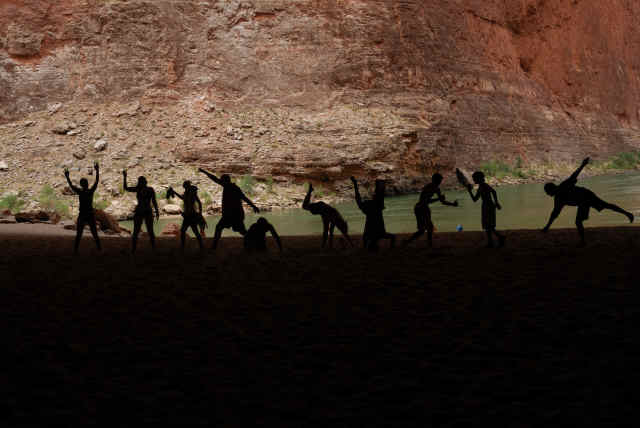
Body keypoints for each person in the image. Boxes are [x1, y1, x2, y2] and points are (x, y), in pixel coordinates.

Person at [542, 157, 634, 245]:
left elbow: (574, 175)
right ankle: (628, 214)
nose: (547, 194)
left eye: (547, 192)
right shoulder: (558, 199)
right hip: (583, 200)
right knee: (602, 208)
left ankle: (628, 214)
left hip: (586, 196)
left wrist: (583, 165)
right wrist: (547, 227)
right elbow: (555, 213)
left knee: (605, 206)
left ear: (552, 189)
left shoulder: (563, 186)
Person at [198, 168, 260, 249]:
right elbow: (244, 198)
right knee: (225, 228)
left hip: (234, 215)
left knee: (238, 230)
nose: (220, 182)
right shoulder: (231, 187)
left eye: (221, 180)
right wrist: (253, 206)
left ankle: (254, 241)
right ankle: (214, 246)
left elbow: (244, 198)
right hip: (232, 215)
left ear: (225, 181)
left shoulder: (232, 188)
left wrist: (253, 206)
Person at [404, 173, 458, 247]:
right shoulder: (429, 187)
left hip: (423, 208)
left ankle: (409, 242)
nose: (440, 182)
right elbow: (426, 201)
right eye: (439, 180)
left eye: (440, 180)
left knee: (424, 229)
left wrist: (452, 204)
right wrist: (439, 199)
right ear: (435, 180)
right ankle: (427, 244)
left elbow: (442, 201)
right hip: (420, 208)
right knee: (427, 228)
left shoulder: (436, 188)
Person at [302, 183, 354, 248]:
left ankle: (326, 246)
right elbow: (334, 231)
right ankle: (310, 191)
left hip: (323, 210)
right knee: (305, 206)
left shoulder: (336, 218)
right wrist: (351, 244)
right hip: (322, 209)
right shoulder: (336, 218)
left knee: (305, 206)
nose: (343, 232)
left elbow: (331, 231)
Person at [65, 162, 101, 253]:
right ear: (87, 184)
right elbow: (96, 182)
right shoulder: (90, 191)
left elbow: (71, 185)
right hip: (90, 214)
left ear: (81, 185)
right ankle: (99, 248)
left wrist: (67, 176)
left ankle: (76, 250)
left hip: (82, 214)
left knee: (79, 234)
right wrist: (97, 170)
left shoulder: (80, 192)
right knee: (94, 233)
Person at [350, 176, 395, 250]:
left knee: (379, 194)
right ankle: (380, 185)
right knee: (379, 195)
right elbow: (358, 199)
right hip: (373, 211)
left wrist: (355, 184)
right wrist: (355, 184)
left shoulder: (375, 235)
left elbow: (358, 199)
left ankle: (380, 185)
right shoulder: (368, 236)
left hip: (374, 211)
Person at [123, 170, 160, 253]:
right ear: (145, 182)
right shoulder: (150, 189)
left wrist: (125, 177)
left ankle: (133, 249)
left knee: (137, 231)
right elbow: (154, 201)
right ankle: (153, 248)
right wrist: (157, 211)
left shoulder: (138, 189)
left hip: (140, 211)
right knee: (149, 231)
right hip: (147, 211)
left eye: (140, 181)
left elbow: (126, 188)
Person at [466, 171, 505, 248]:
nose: (474, 180)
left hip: (488, 206)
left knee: (488, 226)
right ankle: (493, 241)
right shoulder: (481, 187)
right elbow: (475, 199)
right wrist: (470, 191)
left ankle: (499, 238)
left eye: (474, 179)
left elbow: (493, 192)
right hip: (486, 206)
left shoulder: (484, 186)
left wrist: (496, 202)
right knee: (488, 226)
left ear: (479, 179)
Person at [168, 181, 206, 252]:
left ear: (186, 186)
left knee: (188, 231)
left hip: (190, 215)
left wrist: (200, 213)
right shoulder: (187, 193)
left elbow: (199, 202)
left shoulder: (192, 193)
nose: (184, 187)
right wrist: (174, 192)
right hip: (188, 215)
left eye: (184, 186)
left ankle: (186, 246)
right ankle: (199, 245)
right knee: (189, 231)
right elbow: (182, 198)